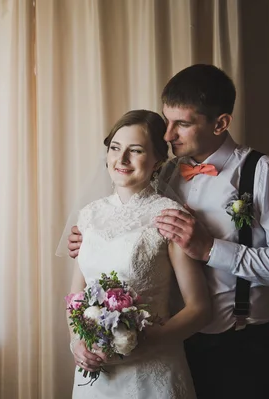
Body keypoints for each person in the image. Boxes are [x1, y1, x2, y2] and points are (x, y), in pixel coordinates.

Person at [68, 64, 269, 399]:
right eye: (166, 120)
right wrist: (93, 242)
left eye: (182, 124)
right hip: (171, 350)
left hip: (240, 352)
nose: (168, 135)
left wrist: (211, 249)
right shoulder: (166, 171)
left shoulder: (260, 173)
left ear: (221, 123)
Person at [66, 109, 211, 399]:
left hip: (151, 371)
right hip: (97, 377)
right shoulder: (89, 215)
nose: (121, 160)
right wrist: (76, 343)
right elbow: (76, 297)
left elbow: (199, 309)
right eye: (115, 149)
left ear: (158, 160)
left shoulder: (169, 217)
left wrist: (144, 341)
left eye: (136, 151)